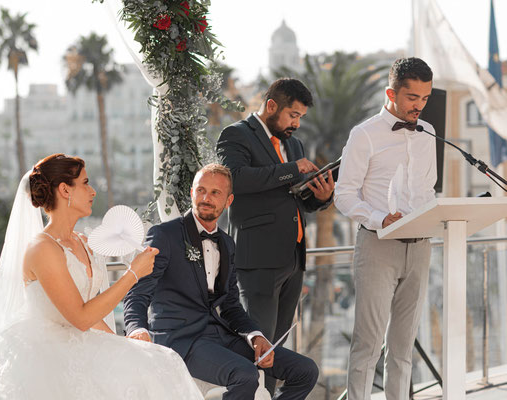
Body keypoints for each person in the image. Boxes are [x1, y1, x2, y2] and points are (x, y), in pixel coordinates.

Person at [0, 153, 203, 399]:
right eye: (85, 182)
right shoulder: (42, 249)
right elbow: (81, 317)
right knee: (147, 374)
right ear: (65, 190)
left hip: (83, 341)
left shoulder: (82, 242)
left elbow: (91, 316)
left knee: (162, 361)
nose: (93, 191)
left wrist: (124, 346)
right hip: (50, 353)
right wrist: (133, 273)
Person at [124, 164, 318, 400]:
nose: (206, 198)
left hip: (221, 336)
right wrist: (137, 329)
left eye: (215, 193)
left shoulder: (227, 243)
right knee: (245, 374)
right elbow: (138, 292)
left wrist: (256, 336)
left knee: (305, 371)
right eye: (201, 190)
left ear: (229, 201)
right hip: (181, 339)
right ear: (191, 193)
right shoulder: (165, 235)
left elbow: (231, 305)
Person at [215, 78, 334, 386]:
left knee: (278, 350)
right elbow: (237, 180)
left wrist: (320, 198)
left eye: (300, 117)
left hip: (293, 261)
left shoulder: (294, 144)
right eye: (292, 115)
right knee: (258, 350)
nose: (296, 123)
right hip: (258, 262)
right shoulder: (236, 135)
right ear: (271, 106)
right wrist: (293, 169)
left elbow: (294, 199)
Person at [334, 58, 437, 400]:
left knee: (403, 347)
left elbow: (427, 189)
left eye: (424, 97)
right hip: (378, 245)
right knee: (368, 345)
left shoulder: (429, 134)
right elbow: (344, 195)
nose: (418, 105)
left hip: (421, 247)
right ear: (391, 92)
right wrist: (380, 217)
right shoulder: (363, 134)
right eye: (411, 97)